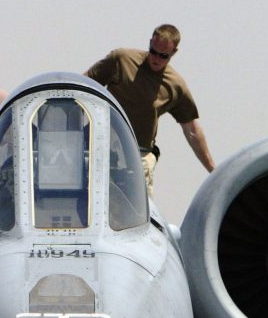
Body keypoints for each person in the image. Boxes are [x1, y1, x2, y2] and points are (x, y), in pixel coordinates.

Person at [84, 24, 215, 197]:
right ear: (150, 43)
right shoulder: (122, 60)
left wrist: (213, 171)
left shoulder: (175, 85)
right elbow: (84, 85)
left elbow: (192, 129)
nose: (156, 59)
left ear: (174, 53)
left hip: (139, 156)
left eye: (163, 56)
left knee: (139, 211)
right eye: (153, 51)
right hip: (102, 147)